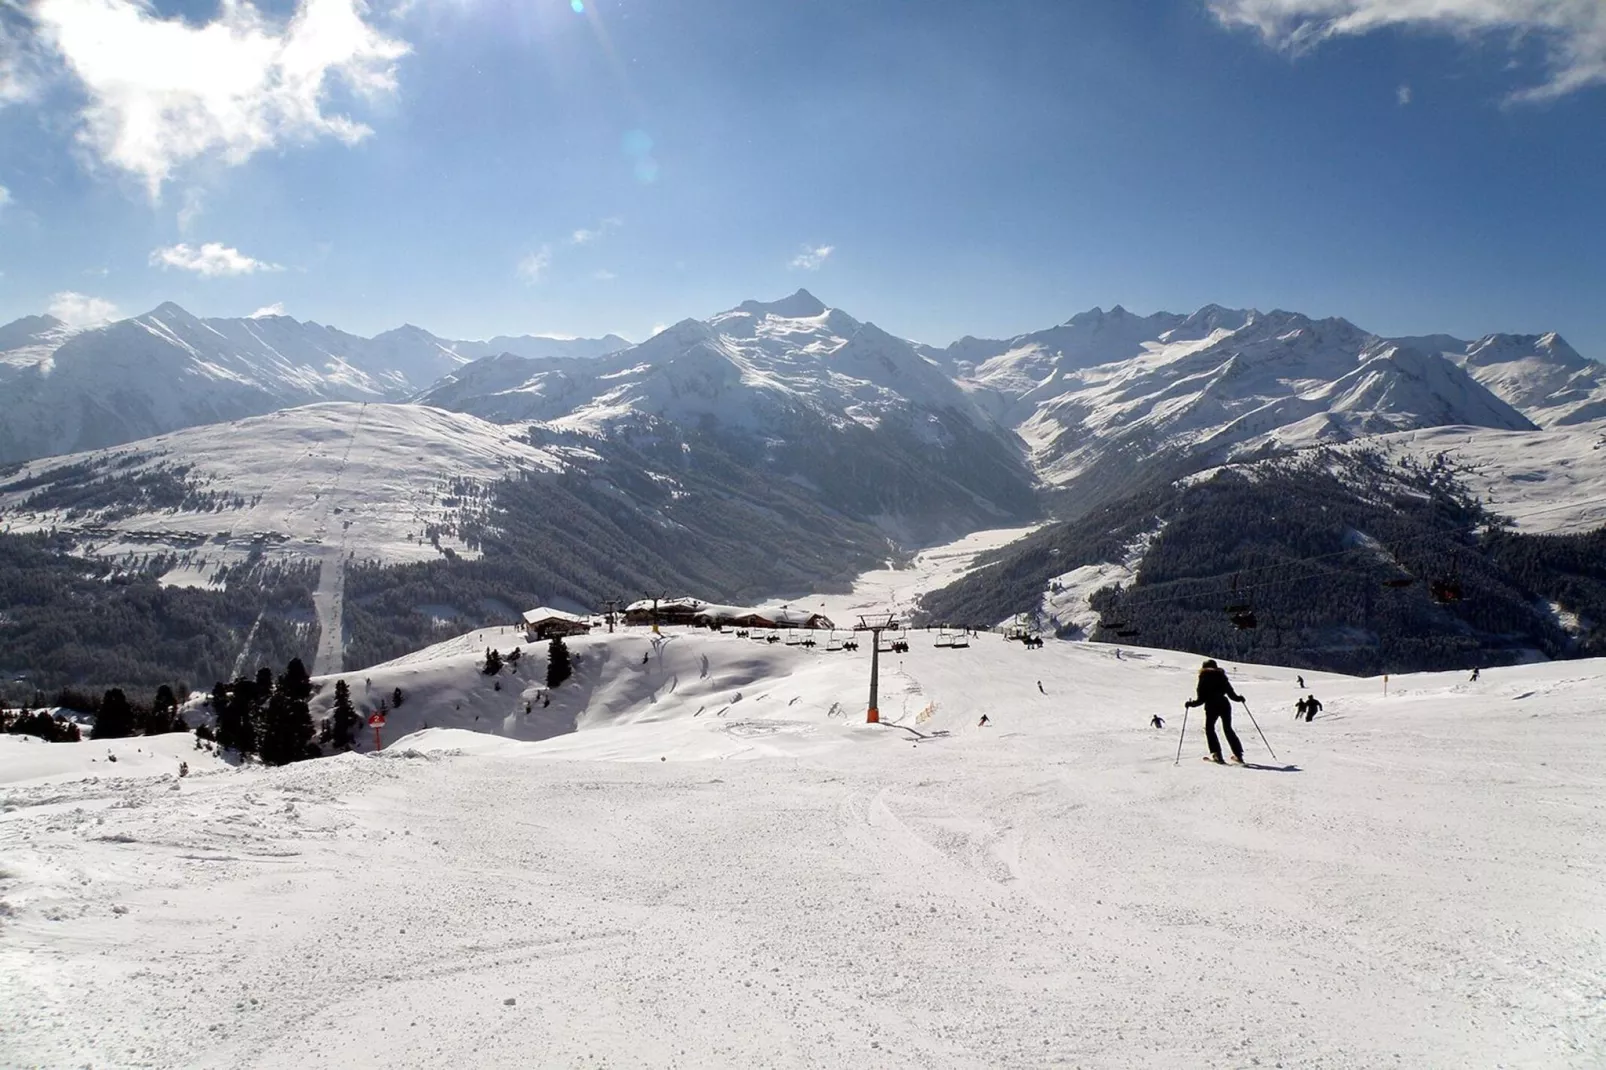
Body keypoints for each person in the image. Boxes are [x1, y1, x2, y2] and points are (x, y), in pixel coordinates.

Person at [1186, 658, 1245, 764]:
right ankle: (1238, 755)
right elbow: (1231, 694)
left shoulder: (1203, 678)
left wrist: (1191, 704)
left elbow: (1201, 699)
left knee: (1210, 729)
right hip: (1224, 704)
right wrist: (1239, 698)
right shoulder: (1221, 676)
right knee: (1228, 729)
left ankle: (1217, 754)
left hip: (1211, 705)